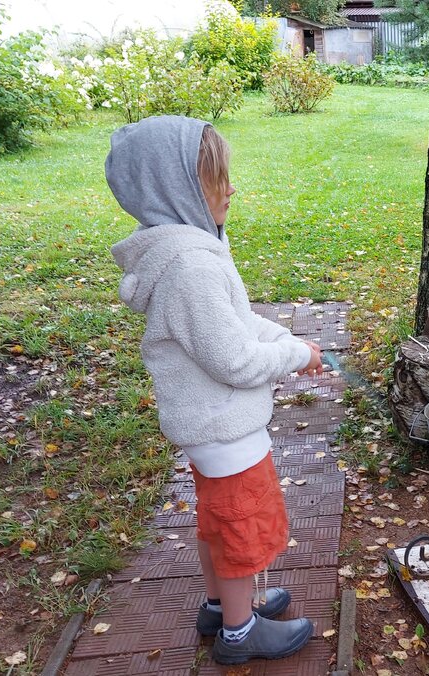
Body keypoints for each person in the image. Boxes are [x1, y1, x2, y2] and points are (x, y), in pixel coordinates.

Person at [107, 116, 323, 665]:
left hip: (208, 424)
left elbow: (235, 320)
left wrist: (284, 335)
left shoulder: (190, 249)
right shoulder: (190, 267)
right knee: (242, 526)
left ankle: (218, 604)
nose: (230, 189)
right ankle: (238, 630)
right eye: (215, 180)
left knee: (218, 521)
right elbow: (233, 359)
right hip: (223, 425)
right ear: (176, 189)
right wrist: (294, 355)